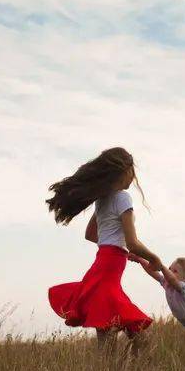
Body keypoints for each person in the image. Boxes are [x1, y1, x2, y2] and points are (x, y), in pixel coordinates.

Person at [46, 147, 167, 351]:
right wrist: (155, 259)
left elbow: (91, 234)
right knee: (134, 332)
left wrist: (118, 249)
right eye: (132, 170)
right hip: (108, 271)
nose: (133, 176)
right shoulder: (122, 198)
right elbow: (133, 242)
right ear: (124, 170)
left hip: (103, 265)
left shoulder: (102, 200)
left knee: (112, 332)